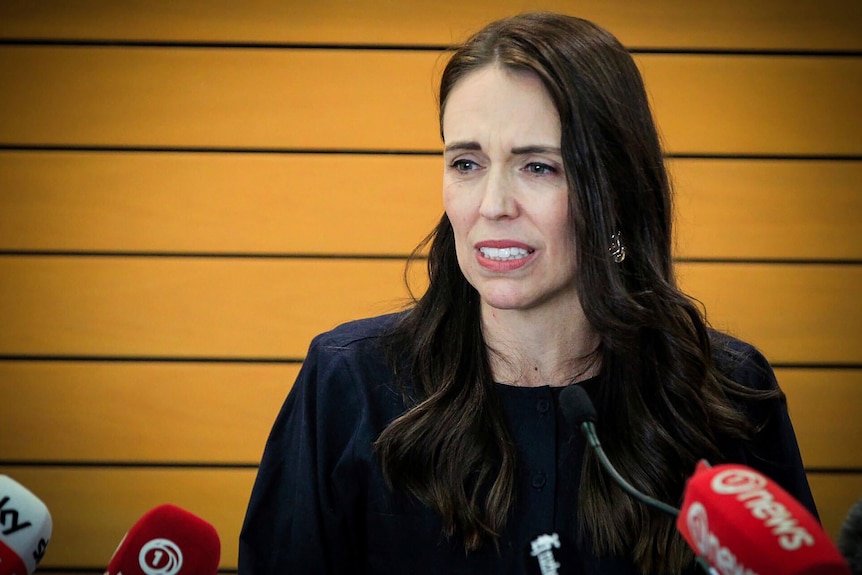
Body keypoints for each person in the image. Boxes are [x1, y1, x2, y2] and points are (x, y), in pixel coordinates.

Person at [239, 12, 817, 575]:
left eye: (538, 167)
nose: (492, 206)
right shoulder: (349, 384)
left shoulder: (729, 392)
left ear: (613, 191)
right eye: (466, 163)